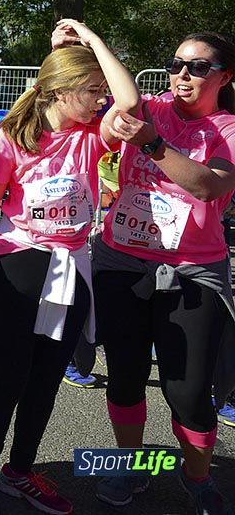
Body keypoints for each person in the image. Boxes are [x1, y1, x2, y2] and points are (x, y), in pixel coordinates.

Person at [0, 20, 139, 515]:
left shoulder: (96, 135)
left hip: (73, 268)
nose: (99, 100)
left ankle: (19, 472)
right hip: (18, 267)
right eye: (90, 91)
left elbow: (130, 103)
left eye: (99, 90)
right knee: (10, 378)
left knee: (47, 380)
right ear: (60, 90)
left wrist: (92, 40)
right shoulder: (13, 138)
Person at [90, 32, 235, 515]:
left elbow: (209, 186)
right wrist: (87, 38)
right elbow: (112, 107)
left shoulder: (227, 128)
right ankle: (132, 465)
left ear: (225, 77)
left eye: (197, 68)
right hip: (121, 261)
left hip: (192, 270)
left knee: (188, 392)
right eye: (176, 64)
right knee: (125, 377)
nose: (182, 75)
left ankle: (196, 478)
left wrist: (152, 144)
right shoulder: (149, 107)